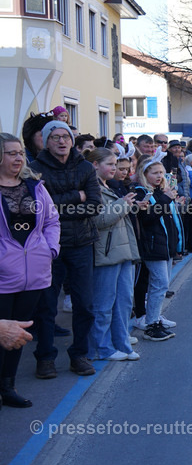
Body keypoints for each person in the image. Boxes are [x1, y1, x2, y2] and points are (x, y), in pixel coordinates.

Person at [29, 121, 101, 378]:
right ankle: (45, 357)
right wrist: (76, 196)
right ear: (46, 141)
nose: (62, 141)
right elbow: (38, 208)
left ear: (72, 141)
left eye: (66, 137)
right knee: (47, 305)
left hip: (81, 244)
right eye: (55, 137)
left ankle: (79, 354)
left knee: (85, 304)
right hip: (49, 247)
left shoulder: (84, 167)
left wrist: (59, 205)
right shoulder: (35, 169)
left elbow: (94, 205)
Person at [0, 134, 60, 408]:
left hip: (35, 273)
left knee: (20, 334)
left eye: (20, 153)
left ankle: (7, 387)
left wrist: (49, 250)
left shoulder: (35, 187)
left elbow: (51, 220)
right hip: (3, 276)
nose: (18, 158)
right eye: (11, 153)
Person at [85, 148, 140, 361]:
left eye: (115, 164)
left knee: (124, 302)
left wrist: (127, 204)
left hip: (122, 250)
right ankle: (100, 348)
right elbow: (99, 221)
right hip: (106, 252)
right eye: (110, 164)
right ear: (95, 165)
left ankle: (121, 344)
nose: (114, 168)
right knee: (104, 305)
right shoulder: (91, 189)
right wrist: (122, 204)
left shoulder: (107, 186)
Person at [133, 158, 179, 341]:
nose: (159, 176)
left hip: (164, 245)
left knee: (162, 284)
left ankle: (155, 317)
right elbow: (147, 217)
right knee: (158, 284)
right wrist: (166, 199)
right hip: (152, 245)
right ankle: (151, 324)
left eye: (161, 172)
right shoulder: (140, 192)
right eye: (155, 173)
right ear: (144, 175)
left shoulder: (161, 192)